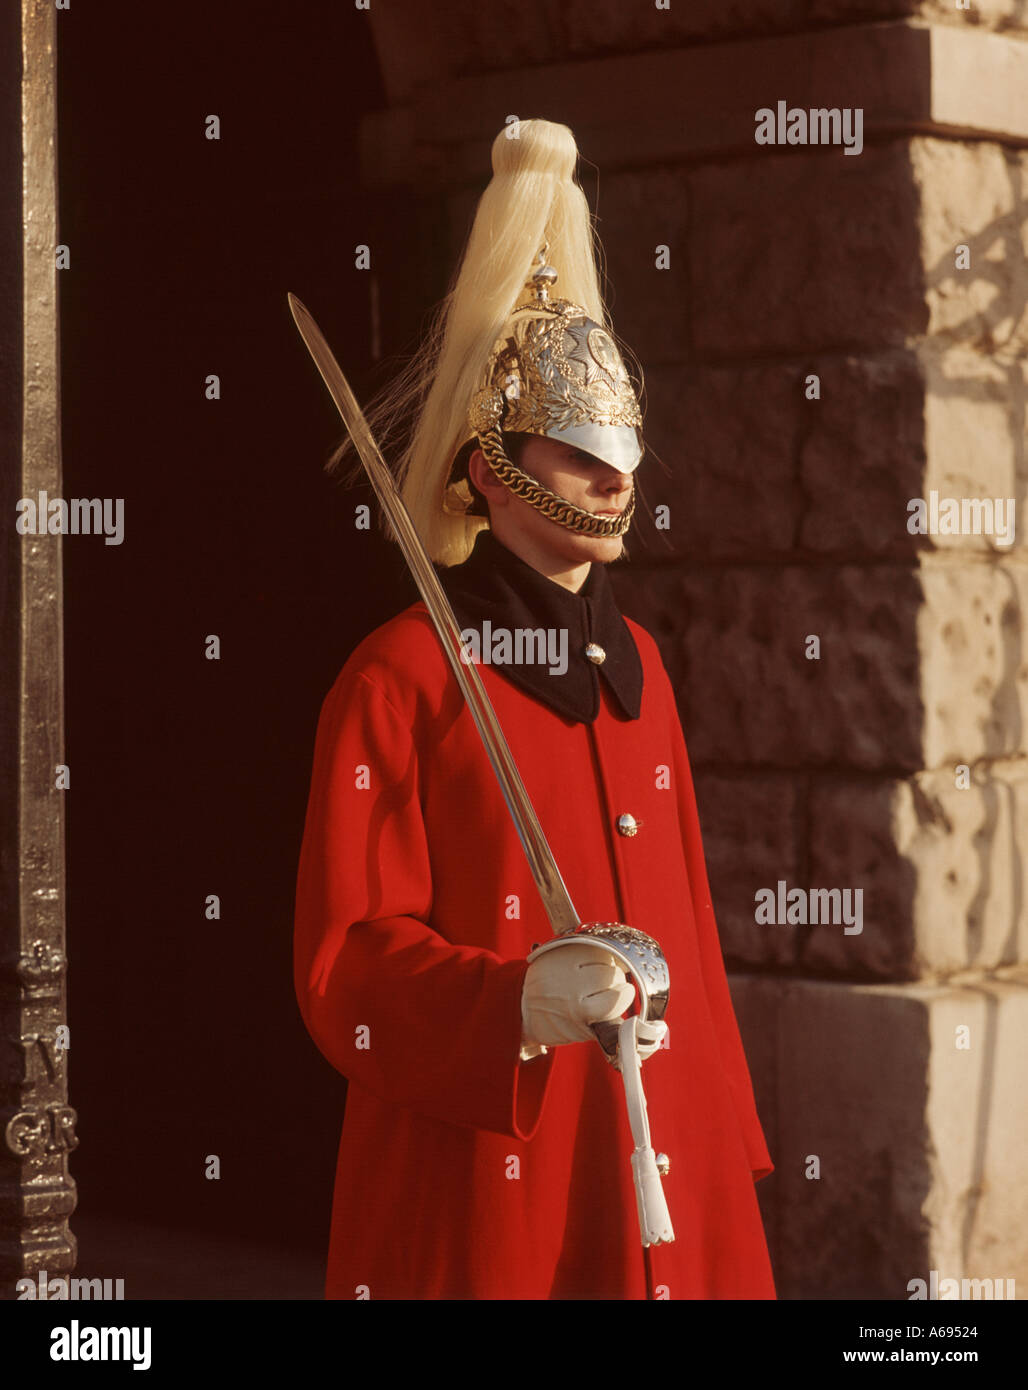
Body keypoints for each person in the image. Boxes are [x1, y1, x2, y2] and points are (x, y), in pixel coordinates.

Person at [293, 118, 776, 1300]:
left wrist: (715, 1138)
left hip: (663, 1145)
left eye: (622, 444)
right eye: (572, 448)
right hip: (489, 1158)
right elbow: (344, 965)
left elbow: (695, 951)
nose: (615, 475)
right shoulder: (399, 672)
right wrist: (509, 1002)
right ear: (485, 465)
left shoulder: (641, 665)